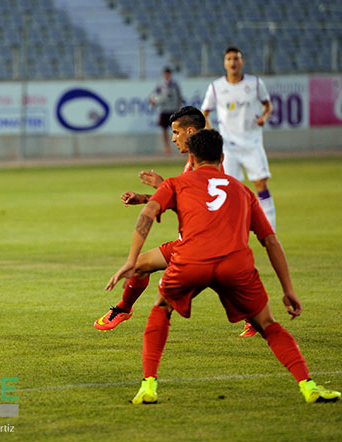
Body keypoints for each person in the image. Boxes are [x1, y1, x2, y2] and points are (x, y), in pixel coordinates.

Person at [106, 128, 339, 405]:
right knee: (267, 324)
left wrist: (131, 260)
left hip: (191, 261)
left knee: (161, 308)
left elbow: (148, 214)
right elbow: (271, 241)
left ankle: (148, 386)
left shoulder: (176, 183)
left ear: (191, 158)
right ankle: (308, 386)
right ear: (223, 157)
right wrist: (288, 289)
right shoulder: (242, 190)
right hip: (235, 264)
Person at [94, 106, 205, 332]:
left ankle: (256, 319)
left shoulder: (207, 163)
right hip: (189, 242)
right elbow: (181, 198)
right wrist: (145, 197)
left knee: (166, 303)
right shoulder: (192, 160)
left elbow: (197, 204)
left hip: (201, 245)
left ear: (191, 132)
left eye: (176, 132)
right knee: (140, 266)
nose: (173, 139)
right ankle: (123, 308)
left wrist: (163, 186)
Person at [201, 46, 275, 231]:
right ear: (224, 63)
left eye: (236, 58)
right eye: (229, 59)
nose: (233, 62)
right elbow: (205, 113)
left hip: (252, 142)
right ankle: (232, 230)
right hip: (228, 146)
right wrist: (212, 134)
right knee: (230, 188)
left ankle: (269, 230)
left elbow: (268, 106)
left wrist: (263, 119)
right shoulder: (216, 87)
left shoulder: (255, 83)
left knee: (260, 183)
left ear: (242, 62)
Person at [149, 67, 184, 156]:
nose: (167, 75)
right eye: (166, 74)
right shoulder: (161, 85)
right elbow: (154, 95)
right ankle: (167, 147)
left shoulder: (175, 85)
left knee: (177, 129)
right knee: (164, 129)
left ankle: (182, 146)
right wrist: (154, 101)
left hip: (173, 109)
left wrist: (178, 108)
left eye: (168, 74)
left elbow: (179, 96)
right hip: (164, 110)